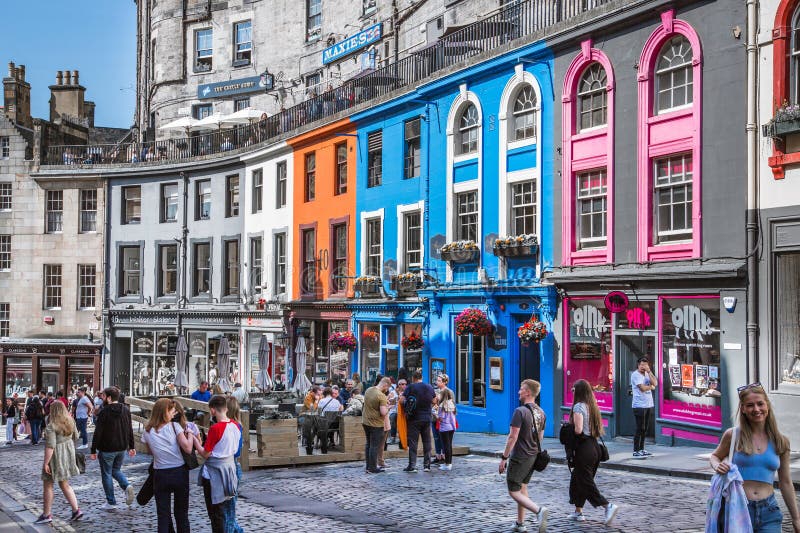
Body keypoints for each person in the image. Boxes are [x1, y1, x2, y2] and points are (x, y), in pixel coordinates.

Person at [709, 383, 800, 533]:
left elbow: (785, 482)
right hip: (737, 509)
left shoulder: (781, 441)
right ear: (743, 409)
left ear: (767, 406)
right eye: (750, 405)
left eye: (760, 404)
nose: (756, 409)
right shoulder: (733, 435)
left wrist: (796, 518)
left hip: (769, 512)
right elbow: (715, 456)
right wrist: (717, 465)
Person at [498, 379, 549, 533]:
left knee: (513, 491)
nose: (519, 391)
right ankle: (520, 523)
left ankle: (538, 511)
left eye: (521, 389)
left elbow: (512, 437)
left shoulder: (520, 412)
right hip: (533, 456)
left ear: (527, 392)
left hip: (520, 456)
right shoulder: (541, 412)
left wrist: (504, 457)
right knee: (522, 488)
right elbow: (540, 437)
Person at [569, 379, 618, 526]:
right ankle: (578, 512)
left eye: (574, 388)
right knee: (578, 480)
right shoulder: (593, 405)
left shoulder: (578, 407)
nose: (572, 390)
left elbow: (578, 430)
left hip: (584, 448)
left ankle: (607, 505)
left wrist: (567, 428)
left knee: (585, 481)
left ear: (579, 391)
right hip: (595, 447)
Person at [141, 399, 194, 533]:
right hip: (179, 472)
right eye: (171, 411)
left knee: (163, 515)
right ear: (164, 412)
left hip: (160, 474)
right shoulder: (174, 427)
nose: (173, 414)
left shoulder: (147, 431)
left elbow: (150, 452)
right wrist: (191, 435)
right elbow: (187, 448)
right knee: (181, 514)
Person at [195, 395, 240, 533]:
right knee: (225, 510)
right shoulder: (236, 425)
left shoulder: (216, 429)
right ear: (226, 408)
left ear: (213, 410)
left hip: (215, 474)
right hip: (230, 470)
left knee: (216, 513)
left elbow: (205, 453)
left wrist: (195, 439)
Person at [33, 401, 83, 524]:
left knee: (48, 485)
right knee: (65, 484)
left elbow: (50, 446)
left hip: (55, 458)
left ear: (53, 411)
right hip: (67, 455)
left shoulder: (51, 426)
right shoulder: (71, 421)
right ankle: (76, 510)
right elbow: (76, 437)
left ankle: (46, 514)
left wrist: (46, 463)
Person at [90, 387, 136, 510]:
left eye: (104, 396)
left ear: (109, 398)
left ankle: (111, 502)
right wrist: (131, 446)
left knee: (106, 474)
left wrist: (93, 450)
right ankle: (126, 486)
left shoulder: (104, 412)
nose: (102, 398)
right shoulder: (126, 410)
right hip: (121, 447)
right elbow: (129, 429)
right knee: (115, 470)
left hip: (107, 448)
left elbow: (98, 432)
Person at [400, 370, 435, 473]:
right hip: (426, 418)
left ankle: (412, 466)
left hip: (414, 419)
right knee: (427, 441)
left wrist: (407, 405)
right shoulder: (429, 387)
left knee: (413, 442)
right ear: (421, 378)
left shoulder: (410, 387)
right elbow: (434, 400)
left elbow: (401, 400)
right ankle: (427, 465)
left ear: (413, 378)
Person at [362, 377, 391, 474]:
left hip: (365, 421)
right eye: (387, 388)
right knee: (374, 446)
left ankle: (368, 466)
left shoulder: (368, 390)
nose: (386, 390)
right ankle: (373, 468)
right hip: (376, 424)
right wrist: (388, 407)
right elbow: (383, 412)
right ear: (385, 385)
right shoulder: (381, 395)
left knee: (368, 444)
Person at [225, 397, 245, 533]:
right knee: (228, 508)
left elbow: (235, 450)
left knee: (227, 509)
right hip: (234, 466)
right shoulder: (238, 425)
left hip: (229, 467)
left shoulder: (230, 425)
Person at [631, 357, 656, 458]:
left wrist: (649, 372)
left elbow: (656, 383)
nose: (643, 367)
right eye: (641, 365)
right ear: (638, 365)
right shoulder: (635, 375)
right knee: (639, 428)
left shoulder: (647, 374)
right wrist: (651, 387)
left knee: (645, 429)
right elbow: (642, 388)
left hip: (648, 404)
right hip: (639, 405)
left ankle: (642, 449)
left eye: (645, 365)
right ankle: (636, 450)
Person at [436, 378, 457, 471]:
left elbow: (440, 417)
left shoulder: (442, 406)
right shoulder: (452, 405)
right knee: (449, 445)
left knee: (445, 445)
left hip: (444, 427)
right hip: (452, 427)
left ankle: (447, 464)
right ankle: (449, 463)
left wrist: (435, 414)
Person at [389, 378, 407, 445]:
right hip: (394, 411)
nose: (404, 385)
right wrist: (396, 399)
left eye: (405, 384)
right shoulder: (393, 392)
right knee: (393, 417)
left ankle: (402, 438)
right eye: (402, 384)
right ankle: (393, 437)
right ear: (398, 385)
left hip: (403, 412)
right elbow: (390, 402)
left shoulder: (407, 392)